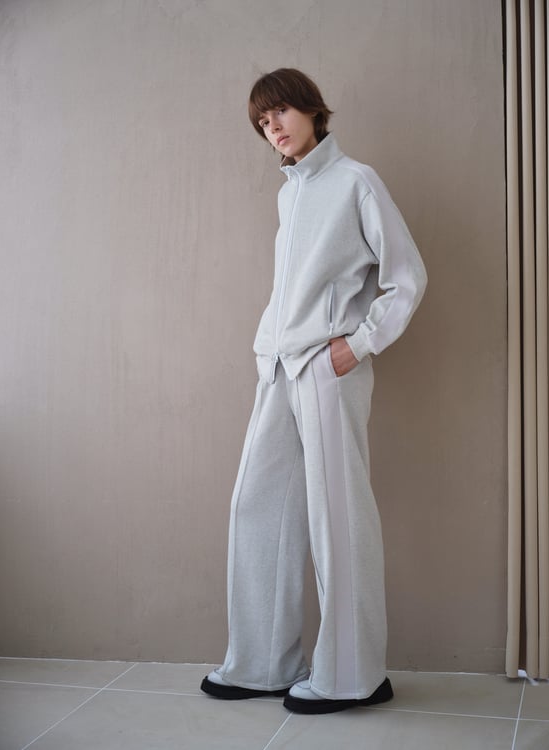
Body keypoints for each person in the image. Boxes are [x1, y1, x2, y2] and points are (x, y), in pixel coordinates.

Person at [201, 68, 427, 715]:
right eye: (262, 121)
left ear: (309, 108)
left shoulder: (356, 181)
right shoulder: (290, 194)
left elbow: (407, 277)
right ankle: (262, 663)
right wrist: (268, 349)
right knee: (258, 508)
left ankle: (352, 675)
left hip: (328, 369)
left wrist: (358, 345)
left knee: (337, 518)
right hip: (278, 367)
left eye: (279, 112)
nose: (272, 127)